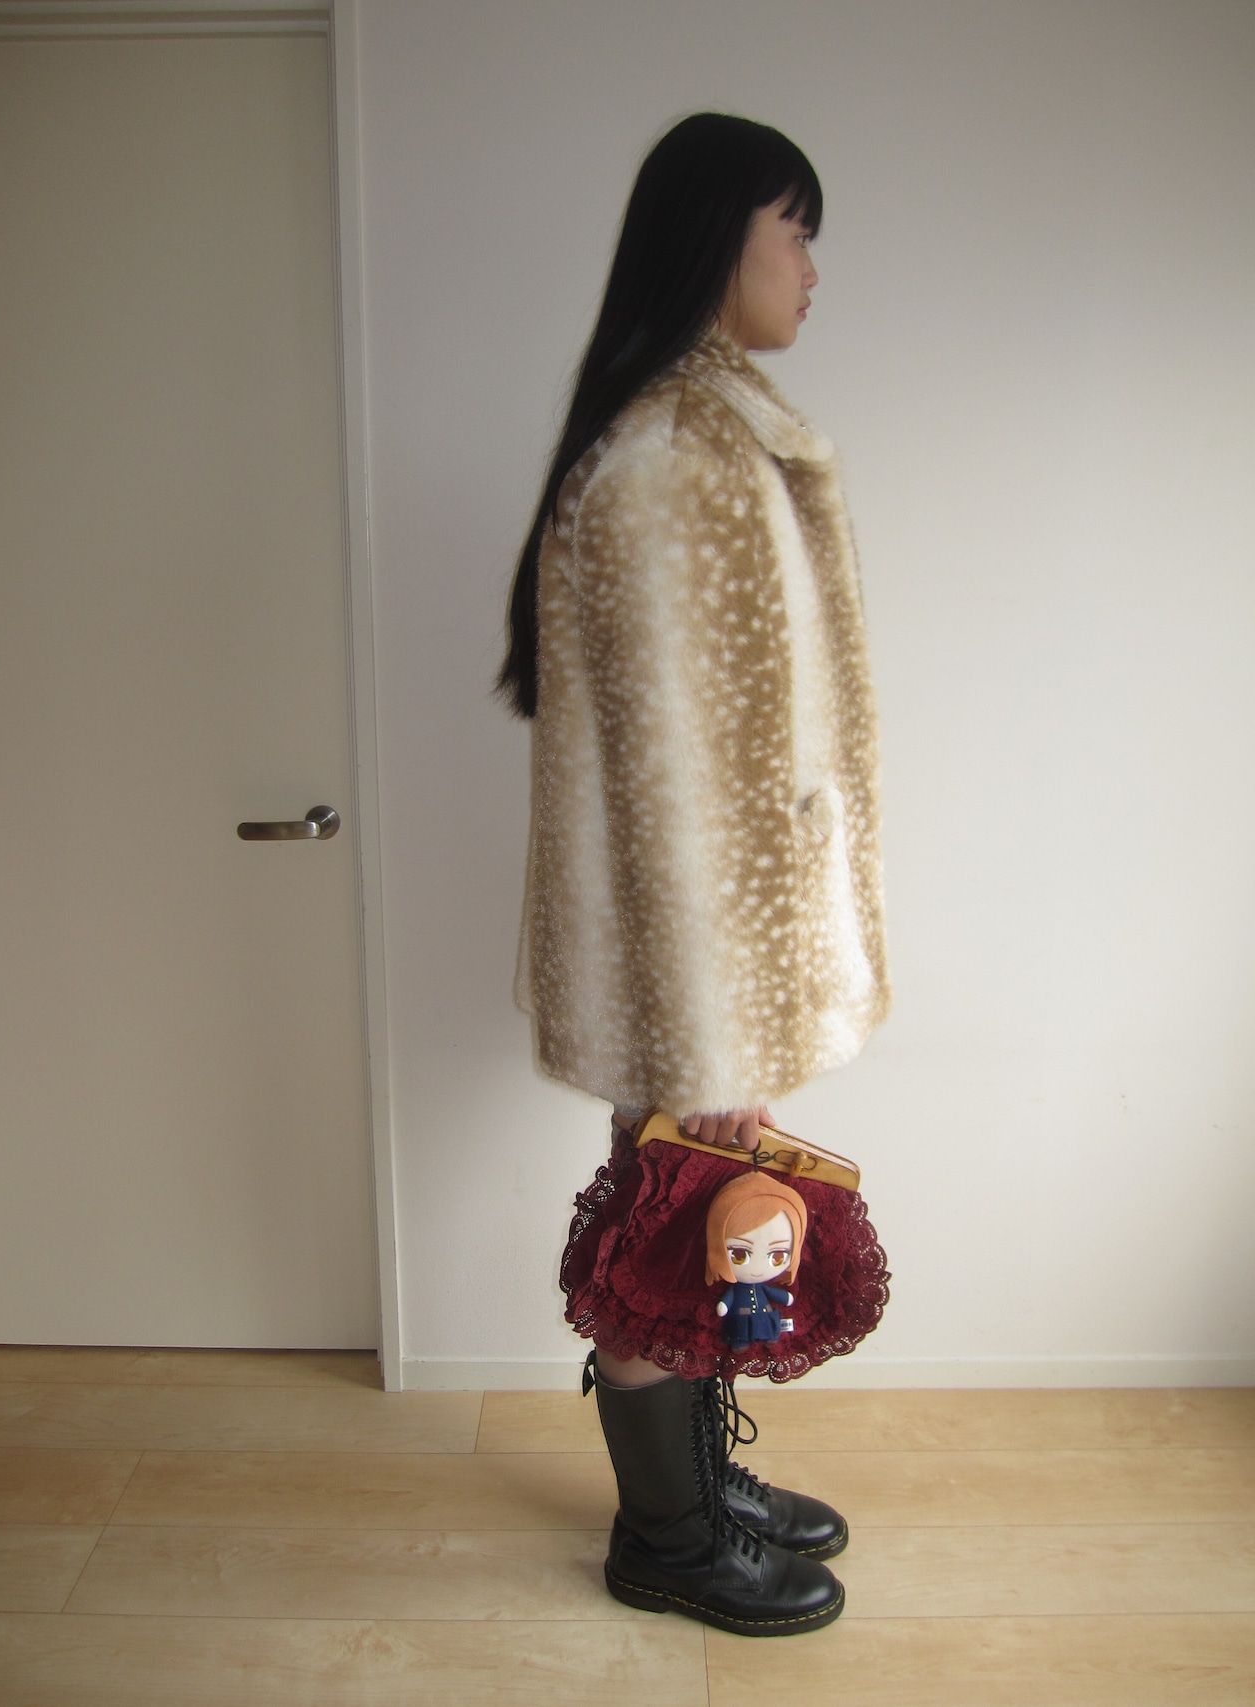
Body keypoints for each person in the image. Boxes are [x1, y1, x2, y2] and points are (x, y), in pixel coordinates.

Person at [499, 112, 890, 1636]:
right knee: (674, 1238)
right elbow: (675, 789)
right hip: (693, 962)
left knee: (694, 1219)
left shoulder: (707, 434)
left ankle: (693, 1491)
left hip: (705, 956)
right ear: (722, 239)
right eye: (798, 231)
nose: (814, 269)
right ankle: (666, 1538)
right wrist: (713, 1043)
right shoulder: (675, 459)